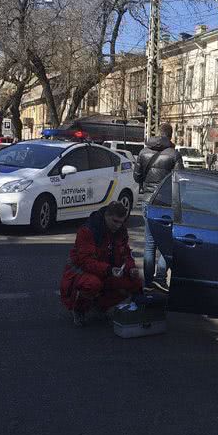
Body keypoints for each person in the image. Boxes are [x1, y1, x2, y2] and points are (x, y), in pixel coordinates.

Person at [60, 202, 142, 327]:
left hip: (107, 270)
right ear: (106, 216)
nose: (118, 226)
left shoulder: (120, 232)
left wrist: (131, 269)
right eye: (115, 221)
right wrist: (109, 269)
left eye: (121, 222)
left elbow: (126, 254)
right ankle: (79, 309)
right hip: (81, 273)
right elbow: (86, 262)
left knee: (134, 282)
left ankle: (101, 306)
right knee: (92, 284)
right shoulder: (88, 231)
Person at [134, 122, 183, 292]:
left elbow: (136, 176)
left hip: (148, 200)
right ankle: (160, 277)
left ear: (157, 133)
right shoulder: (174, 154)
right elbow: (179, 180)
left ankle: (148, 283)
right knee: (168, 242)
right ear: (170, 136)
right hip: (166, 203)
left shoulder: (143, 151)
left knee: (149, 243)